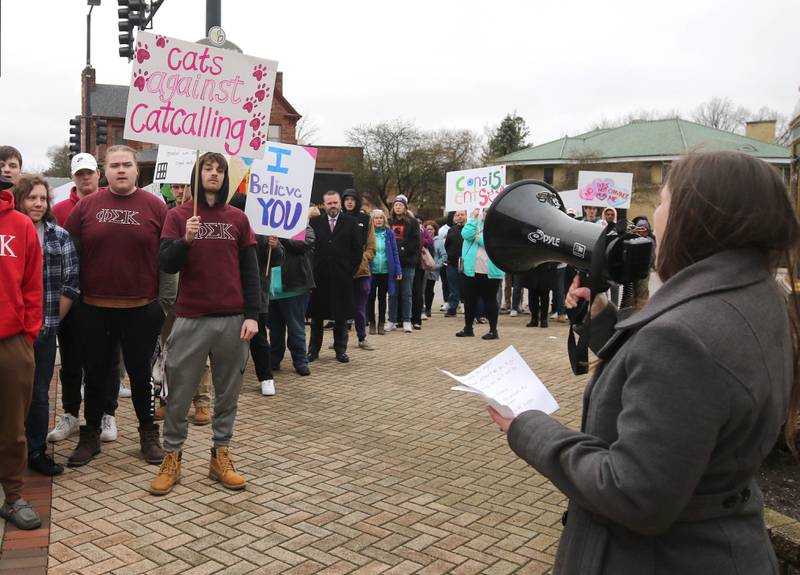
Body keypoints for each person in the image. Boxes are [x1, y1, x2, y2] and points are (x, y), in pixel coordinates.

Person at [487, 151, 800, 575]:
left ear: (697, 216)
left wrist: (529, 426)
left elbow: (632, 494)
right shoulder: (761, 295)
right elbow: (675, 379)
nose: (655, 215)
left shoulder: (682, 338)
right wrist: (601, 320)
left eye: (665, 200)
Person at [151, 152, 259, 495]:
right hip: (191, 318)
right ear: (197, 173)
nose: (213, 173)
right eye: (207, 168)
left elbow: (251, 272)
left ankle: (220, 455)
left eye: (219, 169)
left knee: (228, 395)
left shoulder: (238, 218)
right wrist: (186, 240)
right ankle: (173, 458)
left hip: (233, 319)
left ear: (225, 177)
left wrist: (254, 315)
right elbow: (167, 265)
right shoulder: (178, 215)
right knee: (180, 394)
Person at [64, 145, 168, 467]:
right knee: (95, 374)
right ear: (104, 171)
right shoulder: (86, 207)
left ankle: (148, 435)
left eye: (127, 165)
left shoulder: (155, 207)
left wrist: (163, 305)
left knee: (141, 376)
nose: (121, 170)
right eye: (114, 165)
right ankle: (90, 435)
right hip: (94, 308)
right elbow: (70, 254)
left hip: (141, 308)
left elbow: (169, 259)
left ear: (137, 170)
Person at [48, 154, 127, 444]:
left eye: (90, 173)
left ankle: (108, 413)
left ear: (98, 174)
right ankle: (70, 413)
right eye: (79, 173)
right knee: (70, 359)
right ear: (72, 176)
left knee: (107, 360)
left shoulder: (113, 204)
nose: (85, 178)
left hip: (105, 295)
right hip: (70, 295)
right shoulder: (58, 210)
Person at [14, 176, 79, 476]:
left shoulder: (59, 237)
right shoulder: (8, 235)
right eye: (31, 198)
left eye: (42, 198)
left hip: (43, 330)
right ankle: (11, 452)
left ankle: (37, 450)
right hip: (10, 333)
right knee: (11, 394)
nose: (38, 204)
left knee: (39, 393)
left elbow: (70, 285)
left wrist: (49, 322)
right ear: (19, 200)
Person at [0, 174, 43, 530]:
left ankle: (12, 496)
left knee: (13, 426)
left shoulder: (20, 225)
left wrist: (27, 336)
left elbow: (32, 285)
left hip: (11, 341)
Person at [153, 181, 212, 423]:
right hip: (168, 297)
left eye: (183, 186)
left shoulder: (205, 214)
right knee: (167, 350)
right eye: (174, 187)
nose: (178, 192)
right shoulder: (166, 213)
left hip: (196, 295)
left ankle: (202, 402)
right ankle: (168, 399)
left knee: (200, 350)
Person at [307, 191, 362, 363]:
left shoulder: (351, 223)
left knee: (340, 316)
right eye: (329, 203)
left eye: (335, 203)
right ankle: (313, 351)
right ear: (324, 205)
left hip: (342, 277)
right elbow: (309, 247)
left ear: (340, 204)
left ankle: (340, 350)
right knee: (317, 318)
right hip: (320, 276)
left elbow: (357, 250)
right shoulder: (315, 222)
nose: (333, 206)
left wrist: (349, 270)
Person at [269, 223, 315, 376]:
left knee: (296, 328)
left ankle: (300, 361)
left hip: (295, 287)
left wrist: (280, 237)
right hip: (271, 289)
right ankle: (274, 360)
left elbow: (301, 245)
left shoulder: (304, 227)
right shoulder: (265, 228)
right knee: (275, 330)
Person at [457, 208, 503, 339]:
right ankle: (468, 328)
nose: (487, 213)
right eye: (485, 210)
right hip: (471, 270)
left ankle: (493, 330)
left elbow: (493, 243)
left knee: (490, 300)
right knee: (470, 300)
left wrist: (478, 238)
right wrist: (473, 219)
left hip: (490, 271)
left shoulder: (499, 225)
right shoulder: (475, 222)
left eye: (490, 210)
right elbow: (466, 234)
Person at [341, 189, 376, 350]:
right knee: (340, 307)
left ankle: (362, 337)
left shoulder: (365, 219)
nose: (349, 202)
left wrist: (363, 259)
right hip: (341, 271)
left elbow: (371, 246)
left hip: (361, 272)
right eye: (346, 199)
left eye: (352, 199)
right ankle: (340, 339)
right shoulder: (338, 218)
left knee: (359, 308)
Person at [387, 195, 420, 332]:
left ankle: (407, 320)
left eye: (400, 205)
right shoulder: (388, 222)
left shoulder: (412, 222)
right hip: (392, 264)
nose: (398, 207)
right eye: (396, 205)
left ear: (405, 207)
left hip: (407, 263)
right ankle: (392, 320)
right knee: (393, 293)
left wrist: (402, 251)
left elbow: (415, 242)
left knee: (406, 293)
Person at [368, 209, 401, 336]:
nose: (379, 220)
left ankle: (381, 323)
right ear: (372, 220)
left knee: (383, 298)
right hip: (372, 271)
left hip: (386, 271)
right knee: (370, 298)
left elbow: (395, 252)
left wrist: (398, 269)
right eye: (376, 218)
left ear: (384, 220)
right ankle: (371, 322)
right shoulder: (368, 234)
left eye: (381, 218)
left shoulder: (389, 233)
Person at [444, 210, 467, 317]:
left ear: (466, 216)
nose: (460, 217)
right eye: (457, 215)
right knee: (453, 287)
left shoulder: (469, 230)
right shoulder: (451, 230)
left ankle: (467, 307)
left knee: (465, 286)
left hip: (465, 262)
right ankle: (452, 309)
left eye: (462, 215)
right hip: (452, 262)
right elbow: (447, 245)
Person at [411, 221, 433, 329]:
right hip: (407, 263)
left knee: (418, 292)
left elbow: (429, 241)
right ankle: (403, 318)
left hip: (418, 264)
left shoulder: (420, 229)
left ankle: (416, 318)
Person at [422, 220, 445, 318]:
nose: (429, 231)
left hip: (433, 270)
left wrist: (436, 265)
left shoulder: (439, 241)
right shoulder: (422, 239)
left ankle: (428, 308)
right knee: (422, 289)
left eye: (431, 229)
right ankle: (422, 308)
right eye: (427, 229)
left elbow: (443, 256)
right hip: (422, 269)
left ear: (435, 230)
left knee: (429, 289)